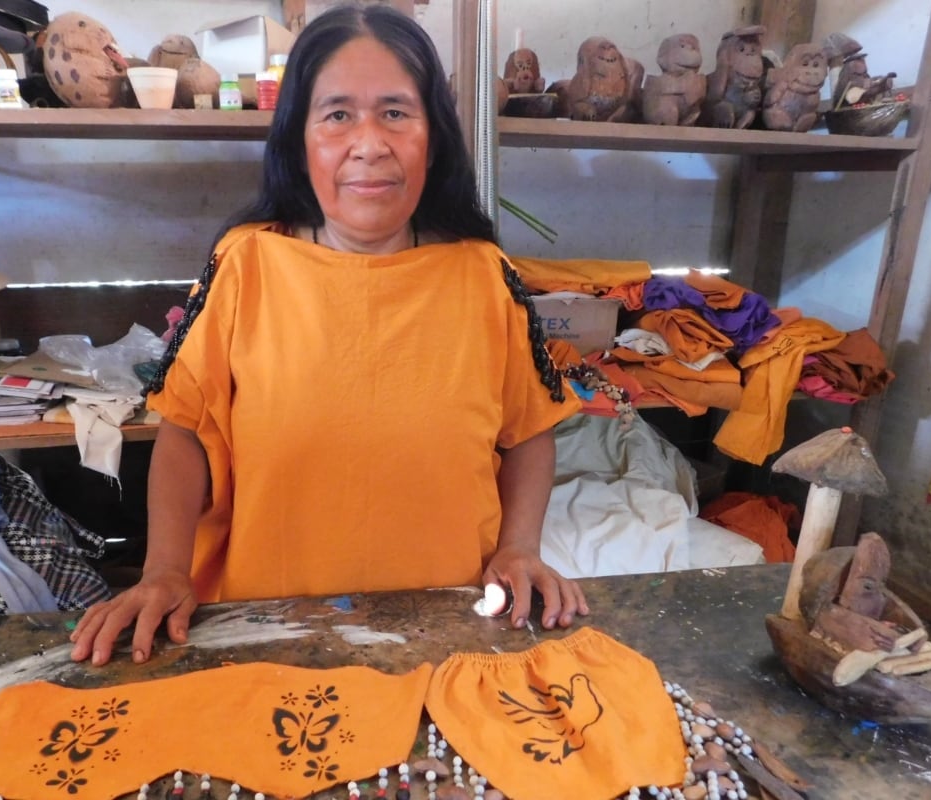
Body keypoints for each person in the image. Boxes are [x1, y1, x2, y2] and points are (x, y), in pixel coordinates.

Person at [70, 4, 587, 667]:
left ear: (434, 136)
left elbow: (530, 431)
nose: (369, 143)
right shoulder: (243, 265)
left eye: (397, 112)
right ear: (298, 138)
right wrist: (164, 570)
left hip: (450, 634)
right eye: (338, 114)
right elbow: (184, 430)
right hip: (264, 636)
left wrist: (520, 547)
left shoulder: (484, 275)